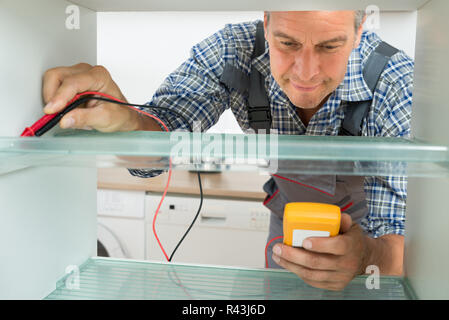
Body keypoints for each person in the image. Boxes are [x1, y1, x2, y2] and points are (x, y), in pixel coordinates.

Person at [41, 11, 413, 291]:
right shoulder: (231, 52)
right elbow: (160, 144)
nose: (306, 71)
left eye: (330, 46)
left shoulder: (396, 84)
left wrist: (366, 257)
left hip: (373, 240)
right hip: (287, 224)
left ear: (359, 30)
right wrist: (126, 123)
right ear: (266, 23)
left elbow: (408, 248)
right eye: (287, 43)